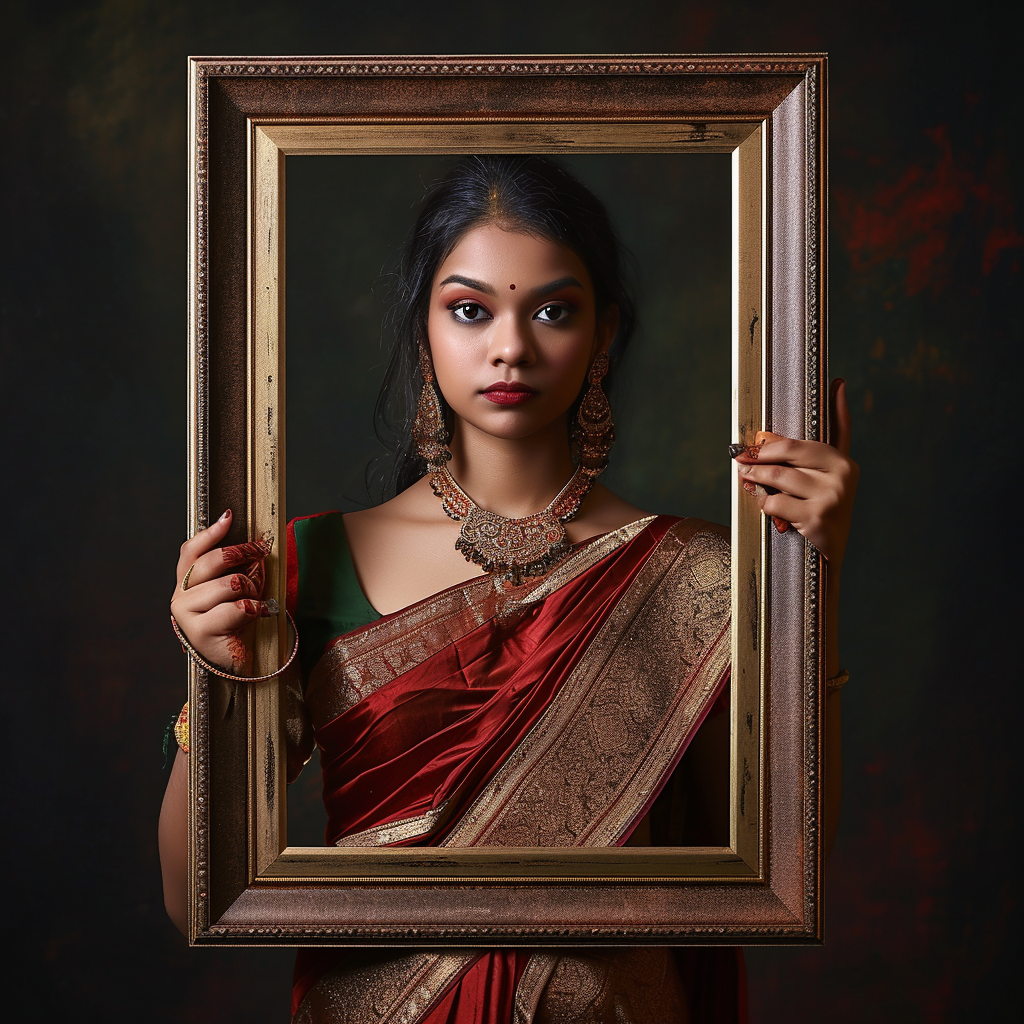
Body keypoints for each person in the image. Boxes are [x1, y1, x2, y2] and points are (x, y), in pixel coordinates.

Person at [160, 156, 857, 1022]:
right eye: (469, 309)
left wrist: (805, 581)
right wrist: (216, 675)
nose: (511, 346)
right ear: (425, 333)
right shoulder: (307, 563)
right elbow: (198, 902)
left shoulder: (700, 577)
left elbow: (780, 872)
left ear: (603, 335)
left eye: (554, 311)